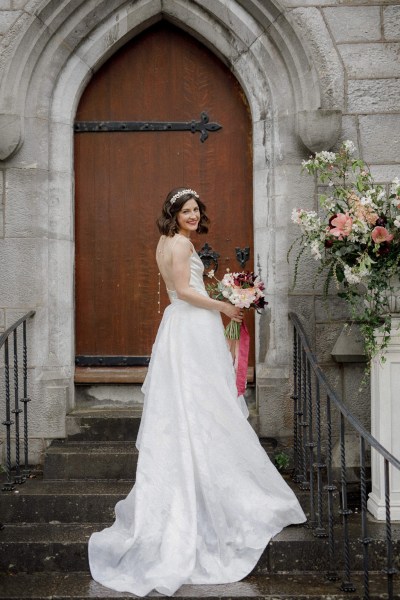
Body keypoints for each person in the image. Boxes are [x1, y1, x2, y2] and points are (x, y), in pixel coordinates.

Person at [88, 187, 306, 597]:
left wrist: (222, 297)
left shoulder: (168, 242)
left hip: (184, 326)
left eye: (195, 210)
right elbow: (186, 292)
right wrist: (225, 307)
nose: (192, 215)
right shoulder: (181, 243)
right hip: (189, 325)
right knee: (204, 403)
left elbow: (185, 290)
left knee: (200, 404)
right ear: (173, 213)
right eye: (185, 210)